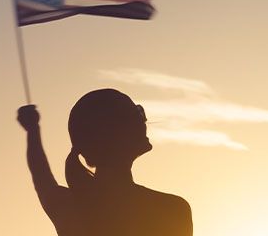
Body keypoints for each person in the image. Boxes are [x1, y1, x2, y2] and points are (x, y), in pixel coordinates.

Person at [17, 89, 192, 236]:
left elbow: (41, 175)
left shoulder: (70, 208)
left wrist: (33, 129)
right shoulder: (172, 210)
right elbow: (41, 174)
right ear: (112, 133)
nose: (143, 120)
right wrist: (33, 129)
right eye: (136, 113)